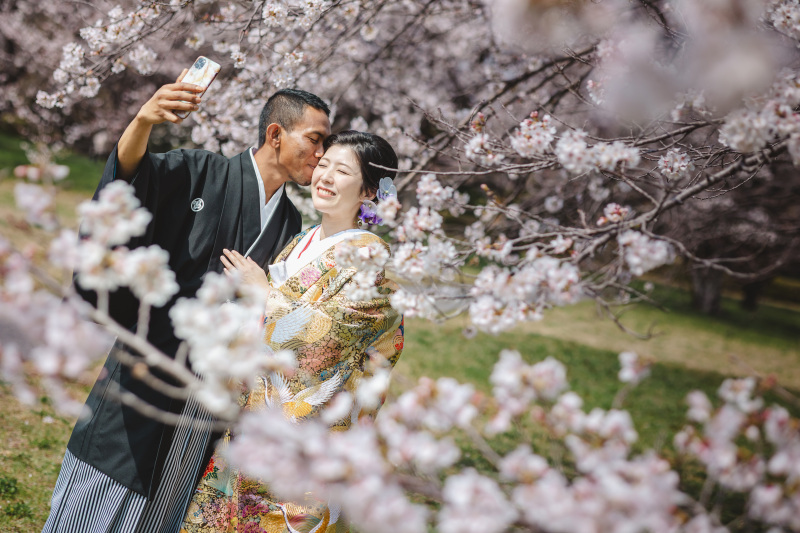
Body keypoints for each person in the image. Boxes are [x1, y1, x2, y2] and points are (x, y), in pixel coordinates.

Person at [42, 70, 332, 533]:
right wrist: (141, 122)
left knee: (165, 511)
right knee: (95, 507)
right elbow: (133, 182)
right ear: (276, 134)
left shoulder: (291, 225)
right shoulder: (204, 172)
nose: (321, 155)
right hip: (150, 372)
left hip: (208, 403)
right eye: (315, 141)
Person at [179, 131, 405, 533]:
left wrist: (264, 294)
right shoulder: (302, 240)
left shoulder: (373, 260)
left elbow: (330, 340)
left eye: (343, 171)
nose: (326, 177)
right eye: (324, 165)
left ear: (369, 191)